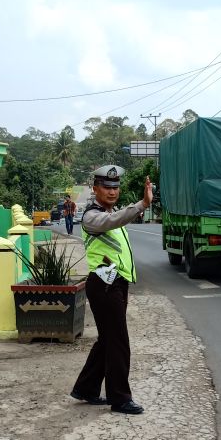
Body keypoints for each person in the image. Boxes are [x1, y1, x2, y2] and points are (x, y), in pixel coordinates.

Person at [70, 165, 152, 416]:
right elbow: (113, 221)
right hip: (104, 285)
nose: (112, 192)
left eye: (116, 187)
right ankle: (120, 398)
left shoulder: (111, 211)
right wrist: (141, 204)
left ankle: (86, 388)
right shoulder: (92, 217)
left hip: (116, 282)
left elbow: (116, 218)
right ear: (95, 189)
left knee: (108, 340)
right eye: (107, 187)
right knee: (118, 341)